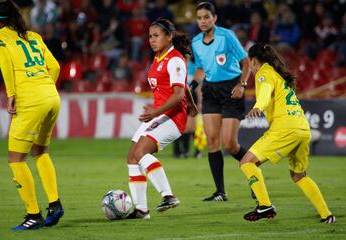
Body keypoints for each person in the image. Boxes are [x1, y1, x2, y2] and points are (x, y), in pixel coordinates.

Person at [0, 0, 64, 230]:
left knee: (16, 159)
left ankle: (33, 215)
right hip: (52, 97)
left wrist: (11, 94)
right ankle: (54, 204)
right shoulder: (34, 36)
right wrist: (44, 88)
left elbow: (5, 66)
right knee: (40, 151)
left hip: (30, 100)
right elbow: (56, 67)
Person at [240, 43, 335, 223]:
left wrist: (258, 106)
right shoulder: (280, 74)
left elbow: (265, 92)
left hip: (285, 128)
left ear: (253, 61)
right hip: (302, 127)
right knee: (299, 175)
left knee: (247, 162)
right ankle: (326, 214)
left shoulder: (264, 73)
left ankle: (264, 204)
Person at [126, 17, 198, 219]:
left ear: (169, 37)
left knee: (140, 153)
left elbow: (178, 94)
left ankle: (168, 195)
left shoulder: (174, 59)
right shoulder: (159, 57)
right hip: (159, 115)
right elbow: (182, 86)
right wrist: (191, 103)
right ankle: (141, 210)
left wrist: (155, 112)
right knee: (132, 157)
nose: (151, 40)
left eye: (156, 35)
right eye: (150, 36)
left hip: (172, 118)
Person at [190, 2, 251, 201]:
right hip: (210, 90)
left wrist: (242, 84)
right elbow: (200, 69)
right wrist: (192, 85)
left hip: (231, 89)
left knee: (230, 144)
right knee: (213, 142)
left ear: (215, 18)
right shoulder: (196, 42)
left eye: (207, 17)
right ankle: (220, 192)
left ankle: (254, 173)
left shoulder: (227, 36)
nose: (203, 21)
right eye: (199, 18)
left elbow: (247, 61)